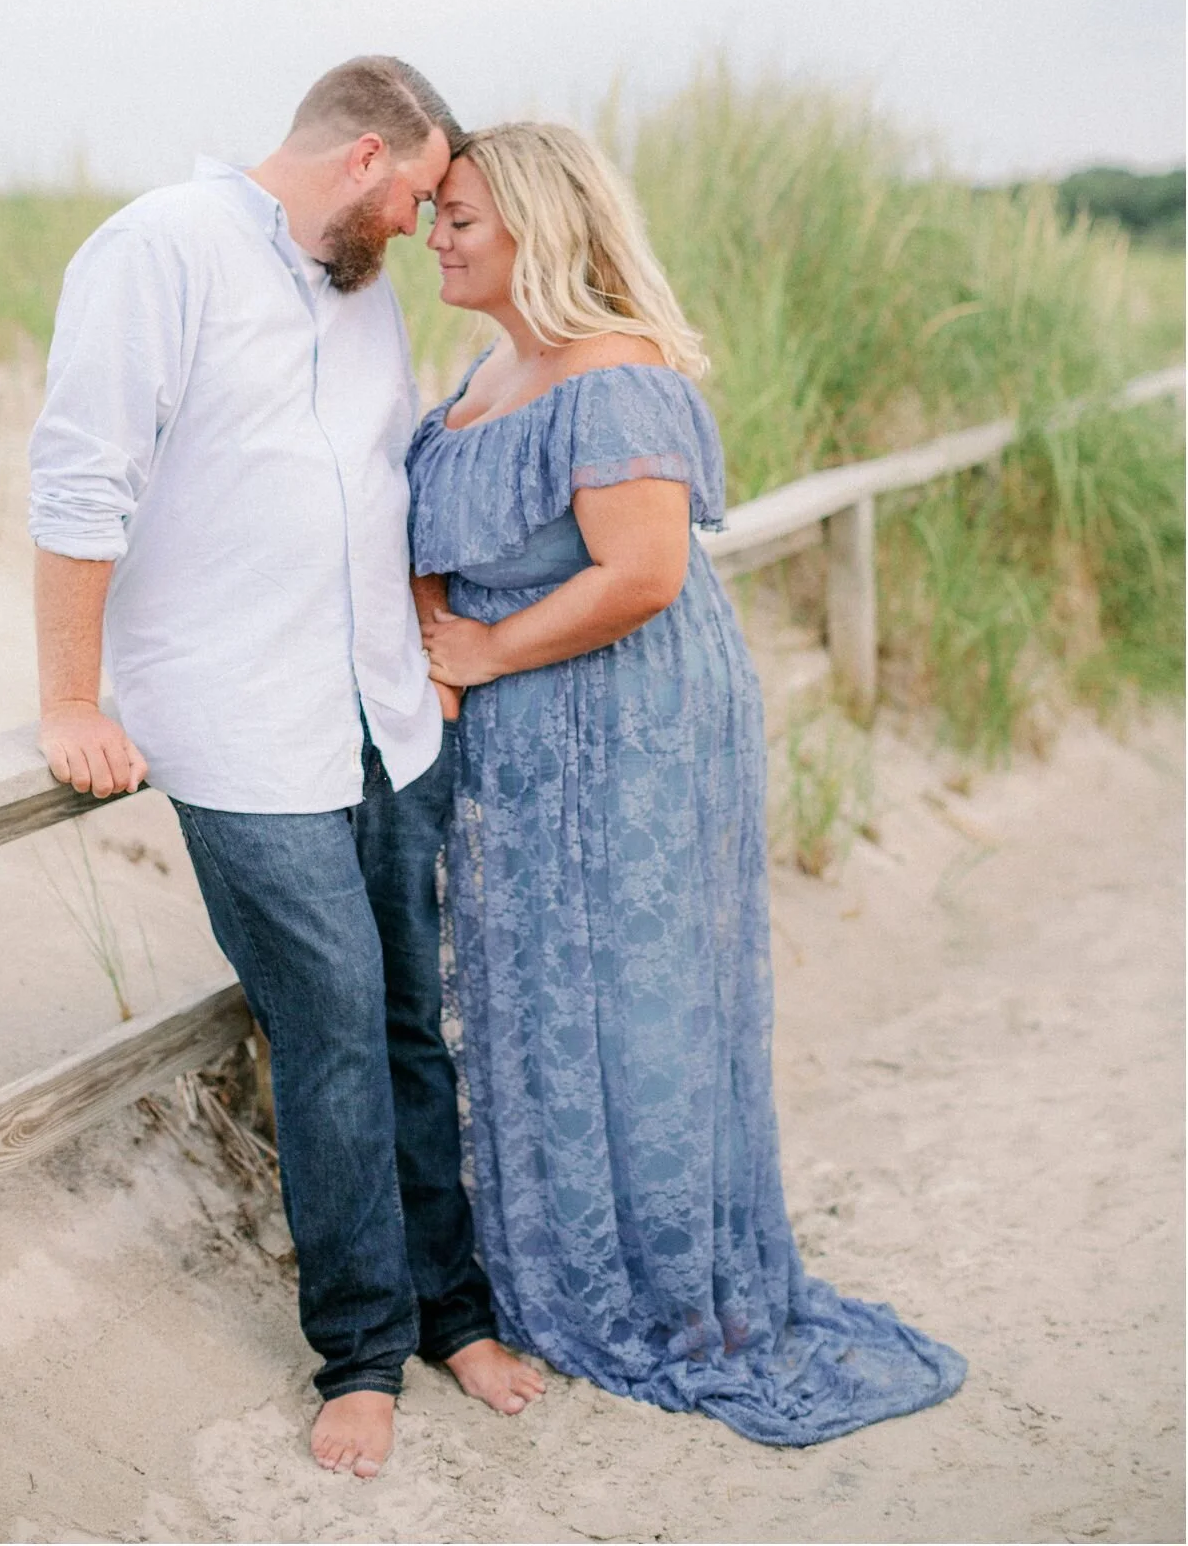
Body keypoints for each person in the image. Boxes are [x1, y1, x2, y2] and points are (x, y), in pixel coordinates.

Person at [410, 121, 967, 1444]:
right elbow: (429, 509)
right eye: (436, 213)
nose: (436, 237)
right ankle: (562, 1257)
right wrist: (437, 642)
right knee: (543, 990)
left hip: (626, 724)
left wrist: (479, 648)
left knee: (636, 1003)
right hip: (519, 727)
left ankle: (663, 1285)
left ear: (539, 232)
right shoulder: (490, 364)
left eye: (463, 219)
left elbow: (645, 573)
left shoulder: (615, 378)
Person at [28, 58, 543, 1482]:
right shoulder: (156, 251)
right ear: (367, 161)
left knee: (404, 1025)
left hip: (384, 713)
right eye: (427, 195)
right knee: (325, 1026)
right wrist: (72, 697)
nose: (432, 228)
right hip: (242, 729)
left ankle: (456, 1312)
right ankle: (363, 1350)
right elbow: (80, 478)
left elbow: (382, 482)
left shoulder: (359, 288)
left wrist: (438, 642)